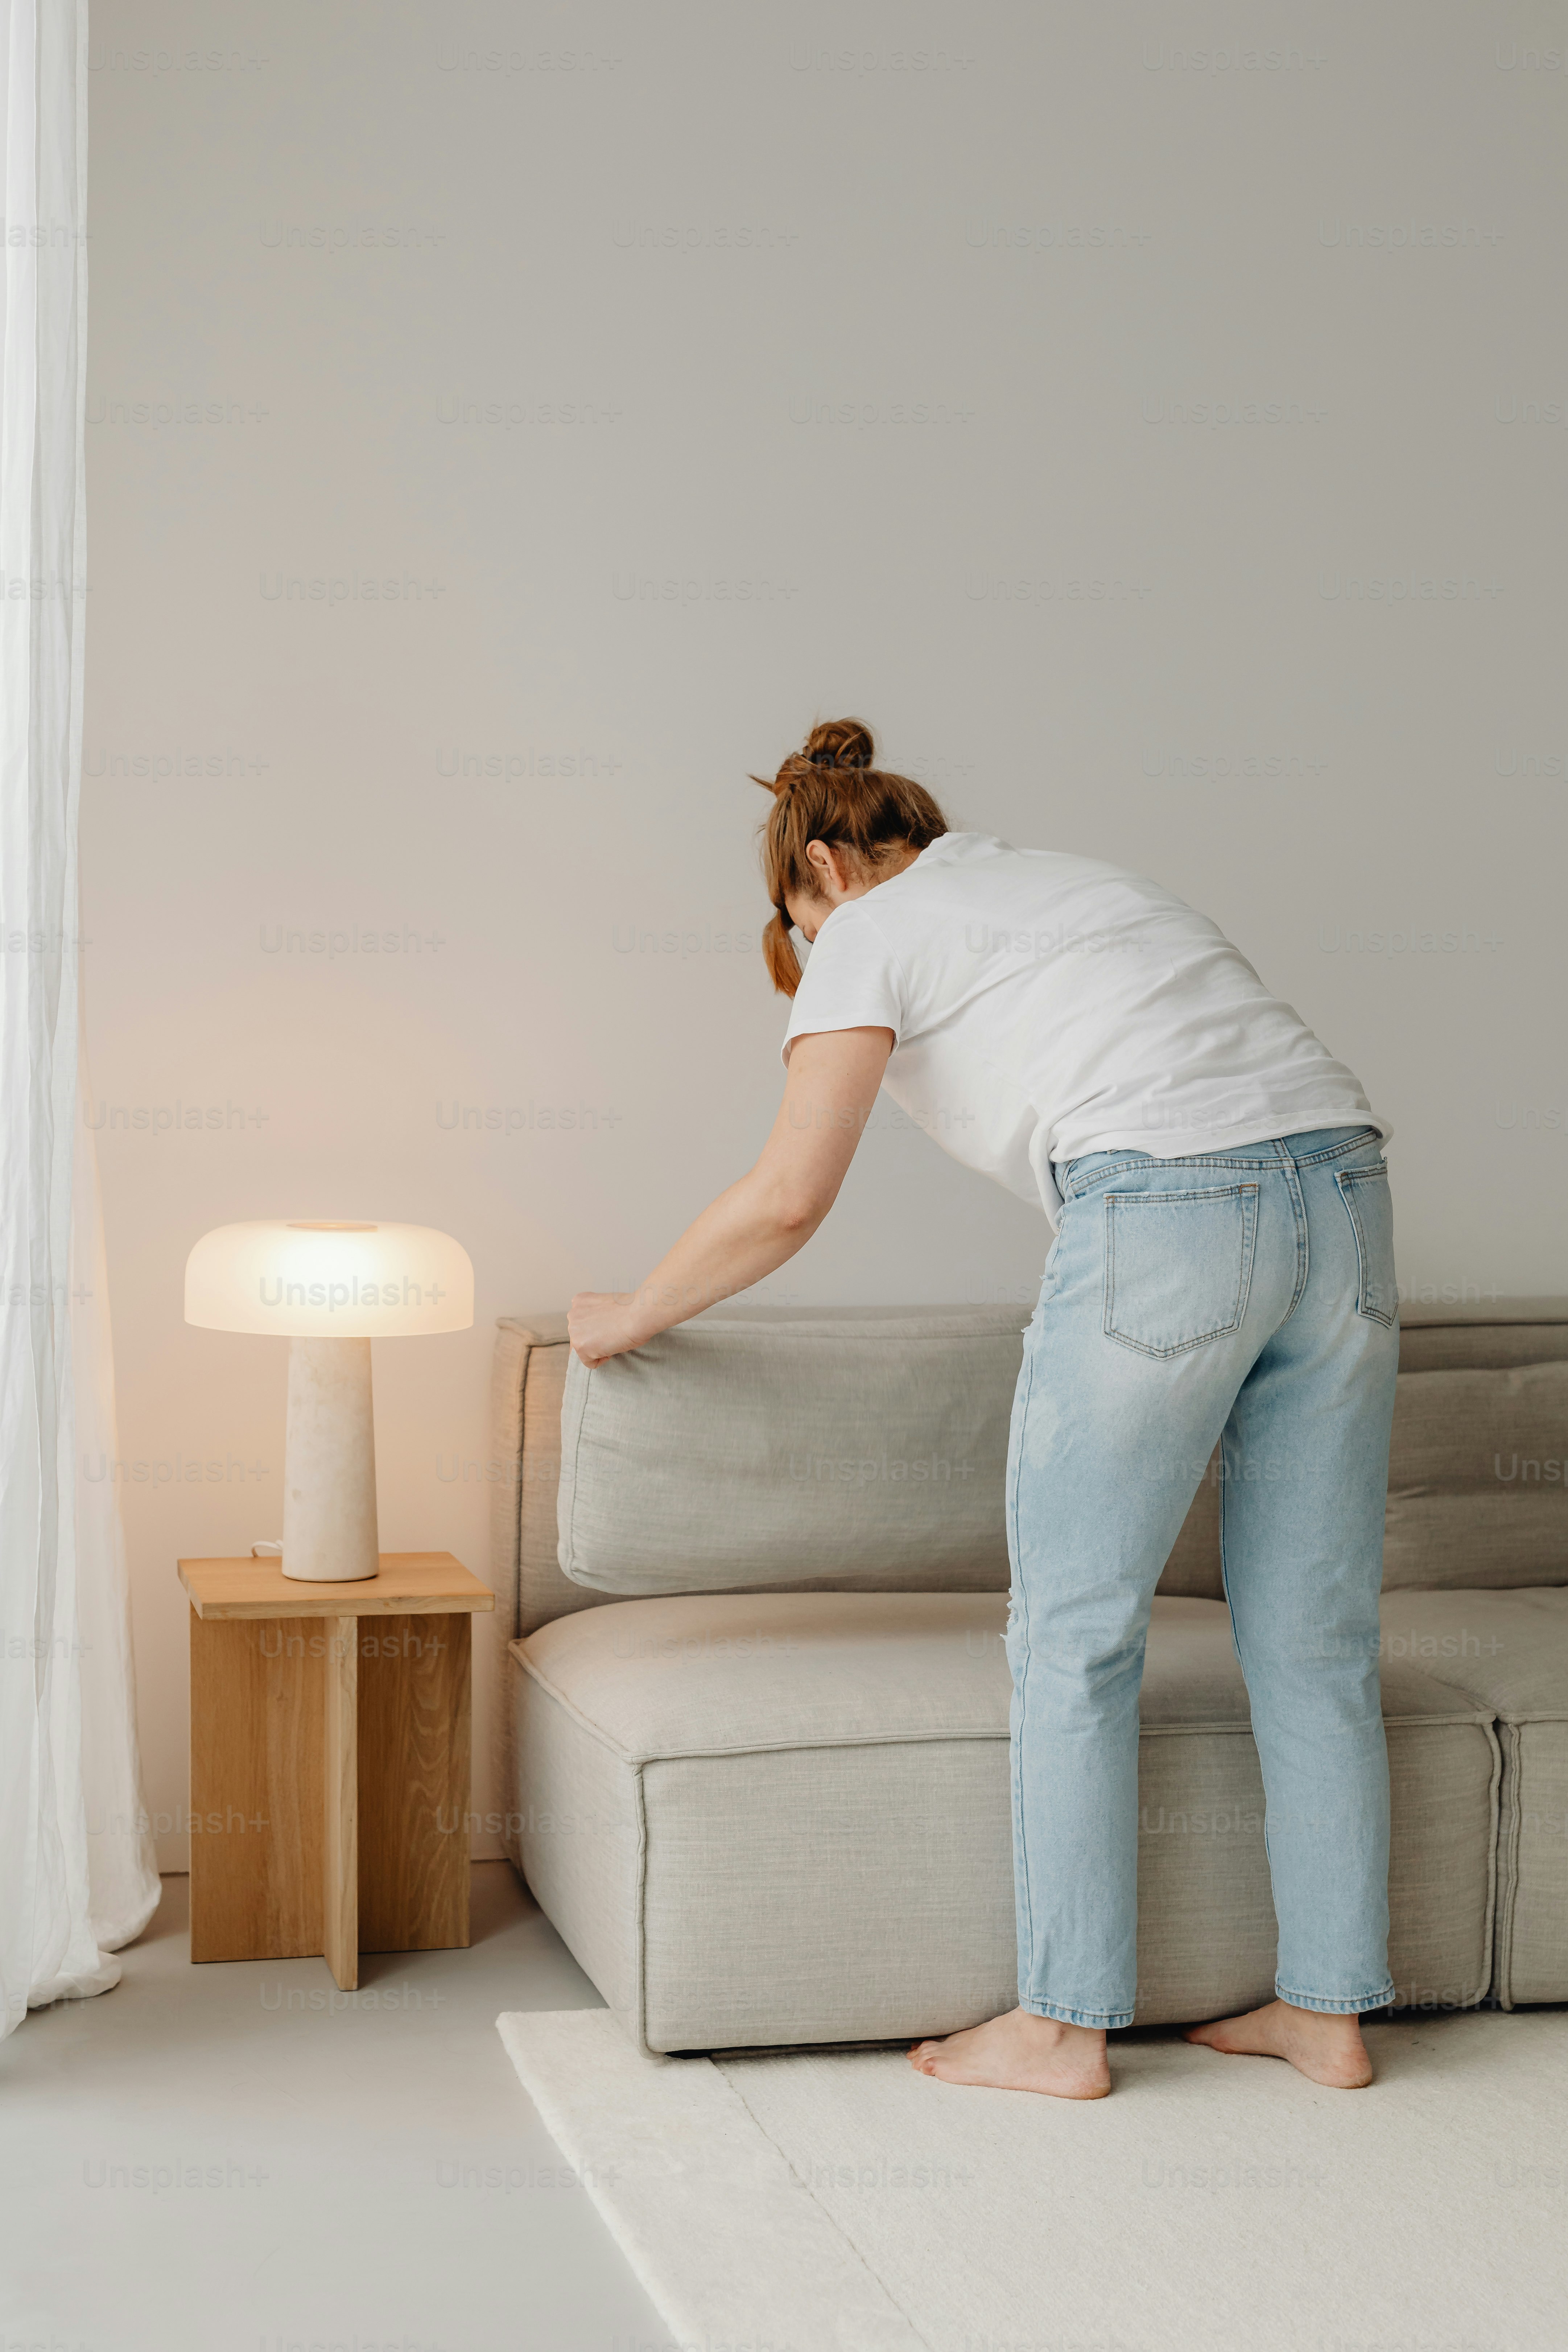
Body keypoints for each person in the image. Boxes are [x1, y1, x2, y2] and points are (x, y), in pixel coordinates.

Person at [568, 718, 1400, 2101]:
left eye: (797, 921)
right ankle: (1327, 2014)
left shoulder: (864, 926)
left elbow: (788, 1195)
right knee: (1315, 1640)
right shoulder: (1069, 881)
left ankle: (1062, 2025)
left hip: (1169, 1207)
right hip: (1348, 1195)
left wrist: (631, 1311)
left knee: (1073, 1639)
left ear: (827, 867)